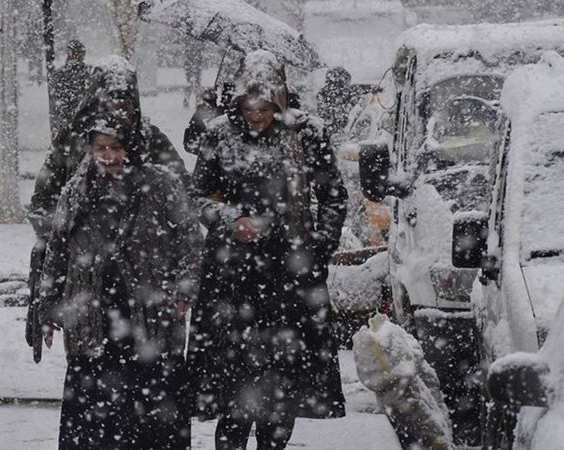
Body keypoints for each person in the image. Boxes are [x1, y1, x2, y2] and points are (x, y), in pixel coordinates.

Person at [187, 50, 348, 450]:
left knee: (282, 391)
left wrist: (317, 249)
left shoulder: (306, 133)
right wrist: (229, 218)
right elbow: (197, 197)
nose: (255, 116)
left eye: (263, 107)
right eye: (247, 106)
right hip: (231, 277)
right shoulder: (220, 133)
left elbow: (333, 197)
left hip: (290, 279)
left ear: (279, 98)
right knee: (233, 391)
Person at [37, 112, 202, 449]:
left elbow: (190, 238)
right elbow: (56, 251)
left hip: (150, 313)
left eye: (115, 147)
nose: (108, 156)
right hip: (92, 314)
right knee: (94, 416)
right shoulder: (77, 190)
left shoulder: (161, 184)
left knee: (153, 410)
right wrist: (50, 308)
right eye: (100, 148)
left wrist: (184, 287)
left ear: (132, 147)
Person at [25, 56, 189, 359]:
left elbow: (183, 201)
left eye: (125, 102)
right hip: (88, 280)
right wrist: (72, 234)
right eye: (111, 101)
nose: (119, 110)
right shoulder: (72, 141)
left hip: (145, 278)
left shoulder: (151, 140)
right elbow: (42, 202)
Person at [51, 39, 93, 134]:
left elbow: (56, 99)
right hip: (83, 118)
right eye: (81, 52)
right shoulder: (89, 71)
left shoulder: (59, 73)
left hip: (67, 118)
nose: (82, 55)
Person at [316, 66, 356, 136]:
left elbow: (360, 88)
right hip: (330, 131)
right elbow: (323, 114)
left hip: (341, 129)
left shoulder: (348, 92)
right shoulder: (322, 94)